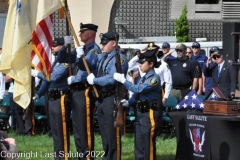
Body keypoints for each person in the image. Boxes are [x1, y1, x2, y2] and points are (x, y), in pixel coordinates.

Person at [113, 46, 162, 160]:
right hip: (140, 113)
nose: (140, 65)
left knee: (148, 144)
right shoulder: (143, 78)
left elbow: (138, 89)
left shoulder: (154, 78)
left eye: (142, 62)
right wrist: (128, 102)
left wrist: (124, 81)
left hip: (148, 114)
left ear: (151, 64)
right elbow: (136, 96)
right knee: (139, 145)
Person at [86, 31, 128, 160]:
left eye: (105, 43)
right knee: (104, 132)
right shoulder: (104, 57)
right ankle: (107, 156)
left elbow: (111, 78)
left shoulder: (118, 58)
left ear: (113, 43)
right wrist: (80, 54)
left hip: (112, 98)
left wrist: (96, 81)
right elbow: (89, 62)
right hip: (103, 99)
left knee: (112, 133)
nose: (102, 45)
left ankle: (113, 157)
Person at [31, 37, 72, 160]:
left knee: (61, 129)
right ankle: (57, 156)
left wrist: (37, 74)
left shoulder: (66, 60)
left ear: (62, 46)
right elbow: (47, 82)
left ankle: (63, 156)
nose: (52, 48)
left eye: (55, 45)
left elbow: (53, 77)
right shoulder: (55, 61)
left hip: (61, 97)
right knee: (54, 130)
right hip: (52, 98)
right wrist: (39, 93)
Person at [67, 23, 101, 159]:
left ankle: (87, 156)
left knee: (84, 126)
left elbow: (90, 65)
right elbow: (67, 60)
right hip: (76, 91)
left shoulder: (94, 50)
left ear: (91, 33)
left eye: (83, 31)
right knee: (77, 127)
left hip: (85, 91)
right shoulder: (83, 49)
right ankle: (81, 155)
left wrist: (81, 59)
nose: (80, 34)